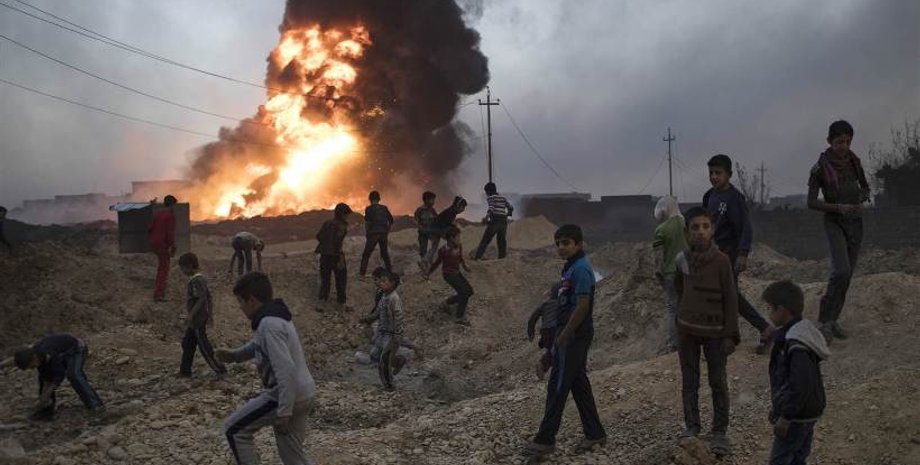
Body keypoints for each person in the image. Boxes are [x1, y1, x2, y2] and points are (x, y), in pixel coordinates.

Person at [522, 224, 606, 459]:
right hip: (570, 334)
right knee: (578, 384)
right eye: (558, 243)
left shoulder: (580, 270)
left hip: (574, 336)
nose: (561, 247)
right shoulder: (570, 269)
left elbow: (582, 306)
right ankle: (595, 432)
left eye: (566, 243)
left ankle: (545, 440)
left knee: (557, 387)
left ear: (578, 244)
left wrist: (566, 332)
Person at [216, 272, 317, 465]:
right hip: (305, 391)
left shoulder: (268, 324)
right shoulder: (277, 316)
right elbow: (259, 345)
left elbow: (285, 368)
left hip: (286, 395)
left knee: (234, 430)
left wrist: (284, 410)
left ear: (252, 300)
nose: (240, 308)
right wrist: (236, 355)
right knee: (293, 456)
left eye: (240, 302)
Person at [673, 207, 739, 456]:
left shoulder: (722, 261)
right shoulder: (682, 260)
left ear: (712, 230)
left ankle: (720, 432)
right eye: (695, 227)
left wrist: (730, 334)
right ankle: (692, 426)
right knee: (690, 381)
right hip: (687, 331)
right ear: (686, 231)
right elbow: (678, 289)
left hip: (715, 332)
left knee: (717, 381)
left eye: (705, 227)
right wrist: (681, 319)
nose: (700, 232)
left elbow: (731, 299)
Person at [806, 120, 870, 344]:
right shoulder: (820, 167)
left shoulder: (854, 162)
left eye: (847, 141)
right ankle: (823, 320)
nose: (843, 146)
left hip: (855, 223)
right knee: (840, 270)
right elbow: (811, 202)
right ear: (829, 142)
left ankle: (833, 320)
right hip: (834, 222)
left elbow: (865, 186)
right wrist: (837, 207)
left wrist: (863, 197)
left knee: (848, 275)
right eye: (839, 142)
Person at [703, 155, 775, 352]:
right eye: (711, 173)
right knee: (729, 295)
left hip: (730, 254)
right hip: (713, 255)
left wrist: (743, 254)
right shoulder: (709, 196)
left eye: (718, 173)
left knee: (729, 295)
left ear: (729, 175)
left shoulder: (735, 198)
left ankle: (731, 336)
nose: (714, 177)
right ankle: (763, 329)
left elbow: (745, 228)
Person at [762, 280, 829, 465]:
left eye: (770, 309)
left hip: (798, 416)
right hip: (807, 411)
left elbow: (799, 384)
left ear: (781, 310)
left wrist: (785, 417)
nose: (769, 314)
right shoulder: (798, 336)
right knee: (797, 458)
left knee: (780, 459)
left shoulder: (796, 344)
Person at [1, 333, 103, 420]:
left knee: (74, 375)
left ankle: (96, 407)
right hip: (62, 352)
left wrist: (46, 394)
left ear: (34, 358)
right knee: (43, 378)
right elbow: (15, 361)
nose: (32, 369)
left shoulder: (50, 356)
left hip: (77, 349)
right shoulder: (33, 352)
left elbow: (59, 376)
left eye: (31, 366)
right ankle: (46, 412)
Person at [178, 252, 226, 377]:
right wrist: (210, 315)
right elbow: (209, 297)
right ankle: (185, 371)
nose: (182, 271)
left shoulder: (196, 281)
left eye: (182, 268)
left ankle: (219, 369)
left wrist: (191, 315)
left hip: (197, 319)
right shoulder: (201, 279)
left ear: (189, 266)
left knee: (204, 347)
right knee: (187, 344)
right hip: (197, 319)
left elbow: (201, 299)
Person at [652, 195, 689, 353]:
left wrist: (658, 274)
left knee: (671, 307)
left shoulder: (661, 229)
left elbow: (658, 258)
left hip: (670, 273)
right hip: (687, 271)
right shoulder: (685, 223)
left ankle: (673, 343)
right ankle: (689, 338)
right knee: (686, 305)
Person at [425, 226, 474, 325]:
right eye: (457, 237)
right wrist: (428, 273)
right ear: (451, 238)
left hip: (457, 272)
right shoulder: (443, 250)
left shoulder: (459, 246)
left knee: (469, 291)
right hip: (448, 275)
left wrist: (465, 266)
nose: (459, 239)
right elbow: (437, 263)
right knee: (464, 292)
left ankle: (447, 302)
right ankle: (459, 317)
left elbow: (461, 258)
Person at [371, 271, 407, 390]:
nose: (381, 283)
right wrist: (368, 319)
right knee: (374, 355)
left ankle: (389, 385)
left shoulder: (394, 298)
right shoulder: (383, 296)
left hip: (391, 334)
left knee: (384, 360)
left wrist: (397, 334)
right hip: (382, 332)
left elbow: (399, 316)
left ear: (392, 283)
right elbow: (379, 312)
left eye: (384, 281)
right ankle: (399, 361)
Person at [315, 203, 351, 312]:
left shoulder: (327, 223)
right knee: (341, 278)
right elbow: (337, 241)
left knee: (325, 278)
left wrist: (325, 244)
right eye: (346, 214)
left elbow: (319, 236)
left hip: (324, 254)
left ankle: (322, 301)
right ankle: (341, 302)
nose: (347, 217)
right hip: (335, 255)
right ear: (343, 214)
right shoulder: (342, 226)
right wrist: (340, 256)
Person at [526, 282, 562, 380]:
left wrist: (531, 333)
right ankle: (543, 365)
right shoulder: (562, 303)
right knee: (558, 350)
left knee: (553, 350)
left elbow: (532, 319)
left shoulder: (544, 304)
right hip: (556, 329)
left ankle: (546, 367)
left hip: (545, 331)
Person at [473, 182, 513, 260]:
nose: (486, 195)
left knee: (485, 240)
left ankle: (477, 258)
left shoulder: (491, 198)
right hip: (503, 222)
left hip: (495, 221)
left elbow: (491, 208)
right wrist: (508, 216)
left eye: (486, 193)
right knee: (501, 242)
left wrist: (486, 218)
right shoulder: (503, 198)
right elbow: (511, 207)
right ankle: (502, 258)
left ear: (489, 192)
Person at [423, 196, 467, 267]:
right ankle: (452, 258)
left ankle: (425, 261)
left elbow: (447, 222)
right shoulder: (451, 212)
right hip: (438, 229)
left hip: (433, 228)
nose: (463, 210)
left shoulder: (451, 211)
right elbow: (447, 224)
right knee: (454, 240)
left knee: (434, 246)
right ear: (458, 206)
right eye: (463, 207)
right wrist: (455, 229)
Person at [149, 195, 178, 302]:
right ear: (172, 204)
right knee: (164, 269)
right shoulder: (170, 216)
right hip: (162, 245)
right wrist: (173, 247)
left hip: (153, 243)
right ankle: (159, 294)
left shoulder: (157, 213)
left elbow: (150, 228)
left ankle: (159, 290)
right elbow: (170, 234)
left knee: (162, 266)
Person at [359, 191, 394, 276]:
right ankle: (390, 271)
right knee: (384, 253)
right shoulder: (384, 208)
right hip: (383, 233)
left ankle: (362, 273)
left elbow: (368, 222)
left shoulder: (369, 209)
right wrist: (387, 230)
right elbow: (391, 220)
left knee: (366, 254)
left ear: (370, 199)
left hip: (373, 233)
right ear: (379, 199)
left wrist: (367, 233)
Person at [414, 191, 439, 262]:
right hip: (423, 233)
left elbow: (437, 219)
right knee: (423, 249)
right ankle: (424, 263)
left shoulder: (433, 210)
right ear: (426, 200)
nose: (433, 202)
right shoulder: (420, 210)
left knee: (435, 244)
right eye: (432, 200)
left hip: (431, 232)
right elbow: (416, 221)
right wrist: (420, 227)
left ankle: (429, 260)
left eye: (434, 200)